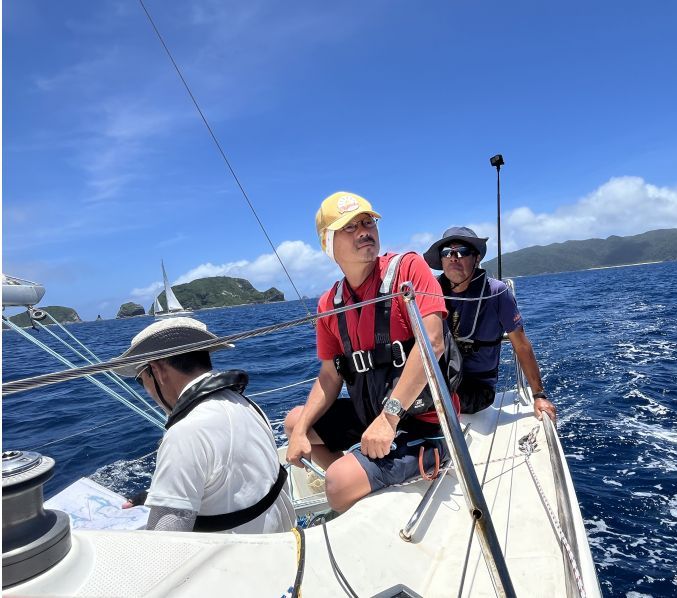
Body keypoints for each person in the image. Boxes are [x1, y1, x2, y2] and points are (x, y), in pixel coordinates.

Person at [284, 191, 460, 513]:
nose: (364, 230)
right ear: (328, 243)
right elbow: (329, 375)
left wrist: (388, 419)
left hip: (423, 423)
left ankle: (351, 481)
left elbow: (431, 343)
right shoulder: (329, 304)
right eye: (350, 227)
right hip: (371, 415)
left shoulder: (408, 268)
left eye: (368, 222)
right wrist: (299, 433)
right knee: (295, 423)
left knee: (337, 482)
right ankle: (363, 480)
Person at [115, 317, 295, 533]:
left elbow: (164, 542)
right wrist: (159, 497)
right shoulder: (246, 404)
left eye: (140, 378)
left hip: (239, 561)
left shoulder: (185, 434)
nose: (145, 388)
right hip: (281, 543)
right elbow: (231, 484)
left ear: (158, 371)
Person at [423, 227, 557, 420]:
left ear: (476, 258)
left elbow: (521, 344)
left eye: (461, 251)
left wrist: (539, 395)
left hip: (477, 387)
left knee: (430, 402)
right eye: (447, 253)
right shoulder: (430, 291)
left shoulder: (497, 292)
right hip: (439, 379)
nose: (453, 257)